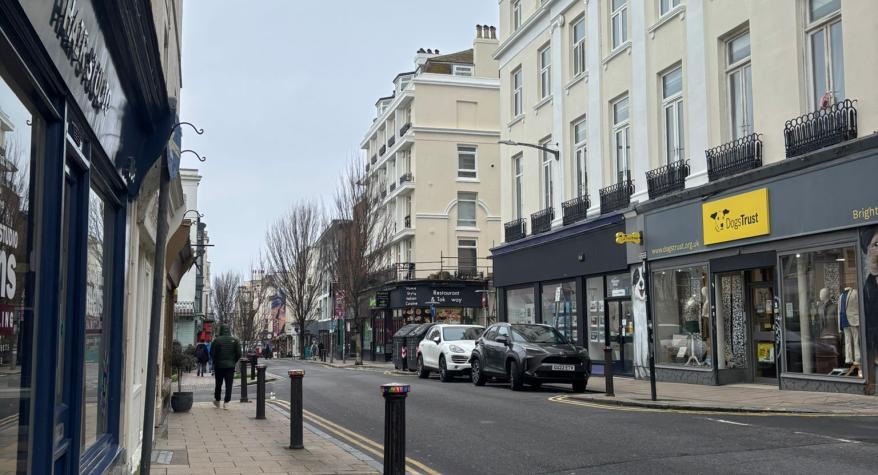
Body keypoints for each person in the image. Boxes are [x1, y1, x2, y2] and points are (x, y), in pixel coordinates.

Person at [210, 324, 241, 409]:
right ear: (229, 330)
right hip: (230, 366)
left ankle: (217, 401)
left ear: (221, 330)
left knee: (218, 384)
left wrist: (215, 361)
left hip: (219, 366)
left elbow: (212, 353)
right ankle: (226, 402)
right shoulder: (235, 340)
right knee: (229, 384)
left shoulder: (216, 340)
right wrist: (233, 361)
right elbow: (239, 353)